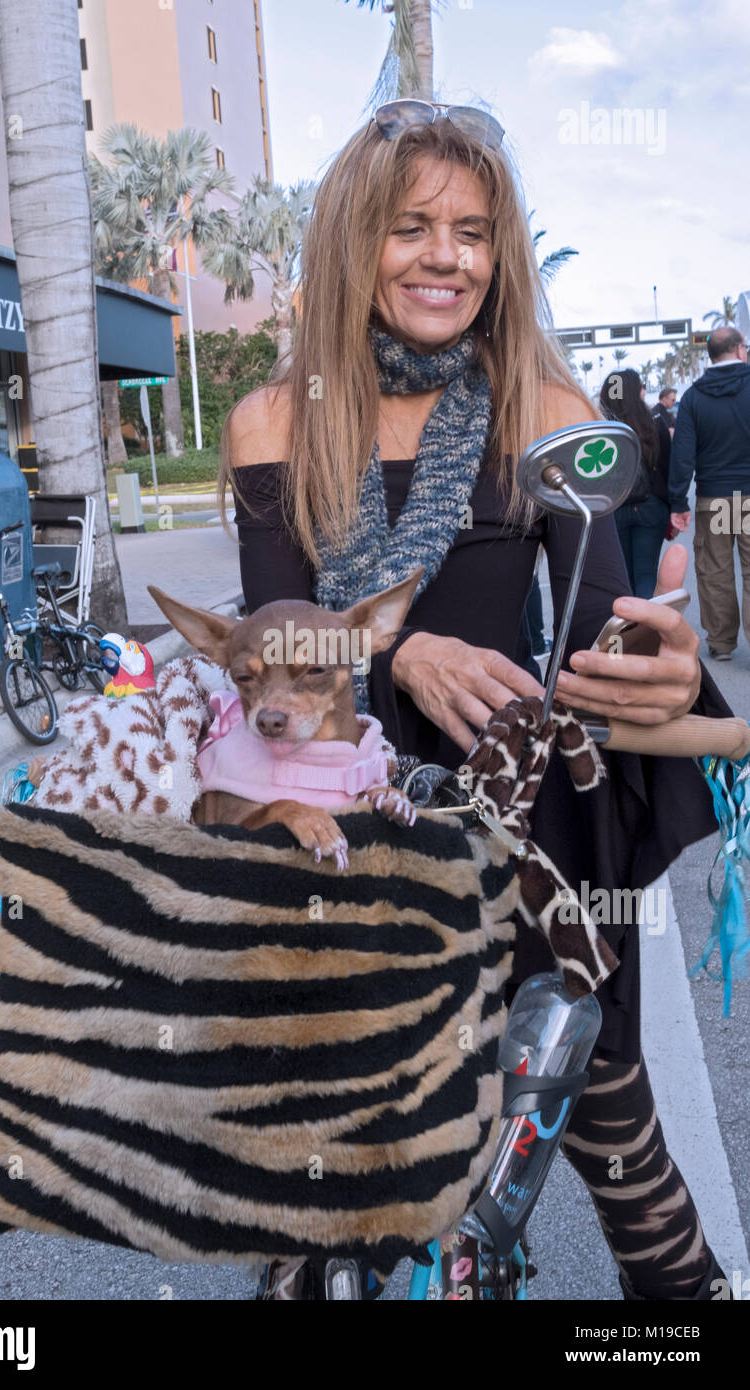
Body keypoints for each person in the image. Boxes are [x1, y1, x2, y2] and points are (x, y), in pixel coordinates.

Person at [221, 103, 730, 1300]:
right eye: (410, 228)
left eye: (472, 231)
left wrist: (657, 659)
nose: (445, 257)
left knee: (614, 1150)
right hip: (341, 834)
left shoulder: (546, 406)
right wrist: (397, 656)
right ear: (355, 241)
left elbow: (595, 627)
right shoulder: (271, 423)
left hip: (527, 831)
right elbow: (267, 654)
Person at [670, 325, 750, 661]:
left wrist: (677, 501)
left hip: (714, 499)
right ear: (738, 349)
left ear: (711, 355)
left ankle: (720, 643)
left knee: (715, 571)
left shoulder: (693, 397)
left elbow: (683, 453)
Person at [600, 368, 672, 598]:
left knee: (621, 580)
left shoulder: (599, 428)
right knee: (646, 576)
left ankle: (626, 630)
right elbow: (668, 468)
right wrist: (674, 507)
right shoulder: (654, 424)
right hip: (650, 507)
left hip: (613, 509)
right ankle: (648, 631)